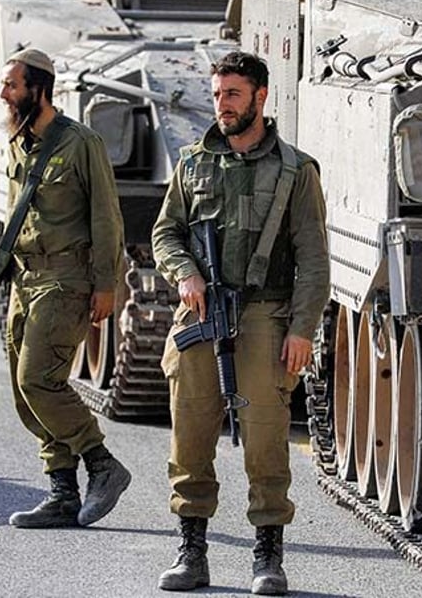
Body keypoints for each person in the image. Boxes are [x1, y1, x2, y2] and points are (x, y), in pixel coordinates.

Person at [151, 51, 330, 595]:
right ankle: (192, 550)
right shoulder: (193, 163)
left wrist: (302, 328)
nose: (222, 105)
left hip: (264, 318)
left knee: (265, 442)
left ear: (260, 97)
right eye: (217, 94)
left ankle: (267, 557)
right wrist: (185, 274)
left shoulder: (297, 170)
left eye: (233, 94)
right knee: (191, 436)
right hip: (201, 317)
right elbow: (166, 233)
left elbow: (314, 259)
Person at [0, 48, 131, 529]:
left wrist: (106, 285)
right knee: (24, 389)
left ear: (39, 88)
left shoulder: (80, 143)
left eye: (12, 85)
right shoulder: (17, 142)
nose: (4, 94)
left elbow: (106, 218)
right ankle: (61, 492)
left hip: (67, 278)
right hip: (24, 279)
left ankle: (102, 464)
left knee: (39, 378)